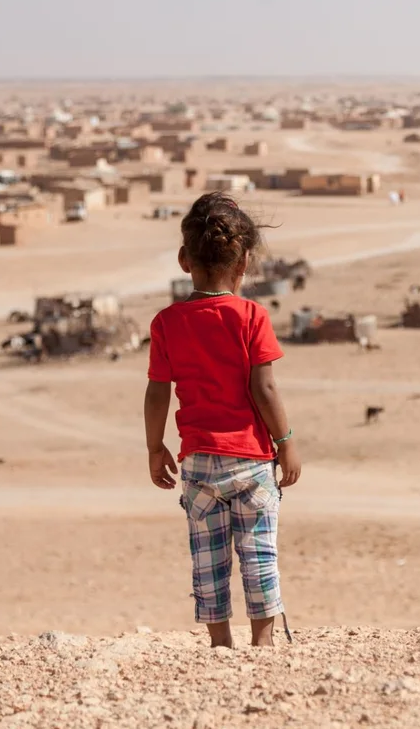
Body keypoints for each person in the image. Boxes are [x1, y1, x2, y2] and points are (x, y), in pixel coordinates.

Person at [143, 191, 302, 648]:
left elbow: (158, 391)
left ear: (183, 259)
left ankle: (219, 645)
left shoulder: (167, 322)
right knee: (258, 553)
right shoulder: (251, 316)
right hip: (250, 462)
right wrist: (286, 439)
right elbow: (264, 388)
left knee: (207, 558)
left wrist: (155, 447)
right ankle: (263, 644)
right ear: (246, 261)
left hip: (197, 462)